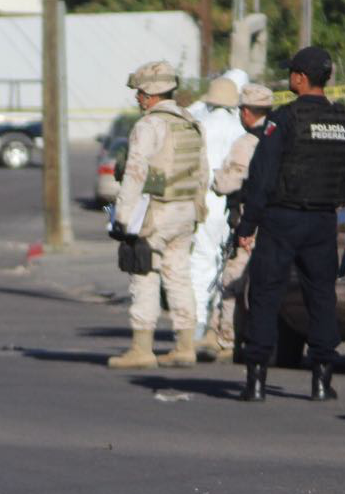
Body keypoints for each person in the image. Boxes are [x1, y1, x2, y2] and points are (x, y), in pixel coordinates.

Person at [235, 46, 345, 402]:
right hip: (323, 222)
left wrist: (247, 226)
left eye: (292, 72)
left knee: (265, 295)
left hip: (281, 220)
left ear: (299, 78)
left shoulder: (284, 120)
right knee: (321, 298)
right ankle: (322, 381)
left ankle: (257, 381)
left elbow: (262, 179)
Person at [107, 61, 209, 370]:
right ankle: (185, 345)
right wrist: (198, 209)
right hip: (186, 212)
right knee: (179, 276)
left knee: (144, 277)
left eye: (139, 92)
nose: (137, 98)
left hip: (156, 213)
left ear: (150, 93)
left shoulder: (149, 125)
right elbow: (202, 171)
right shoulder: (191, 121)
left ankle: (142, 348)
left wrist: (122, 219)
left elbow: (135, 173)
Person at [197, 83, 274, 362]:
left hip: (249, 224)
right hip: (279, 224)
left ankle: (225, 339)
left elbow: (227, 182)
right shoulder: (281, 137)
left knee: (233, 281)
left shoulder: (247, 143)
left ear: (245, 111)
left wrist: (219, 178)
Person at [186, 77, 246, 345]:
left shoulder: (200, 126)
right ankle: (222, 329)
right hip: (232, 203)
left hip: (204, 201)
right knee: (227, 265)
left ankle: (197, 326)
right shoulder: (240, 129)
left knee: (201, 262)